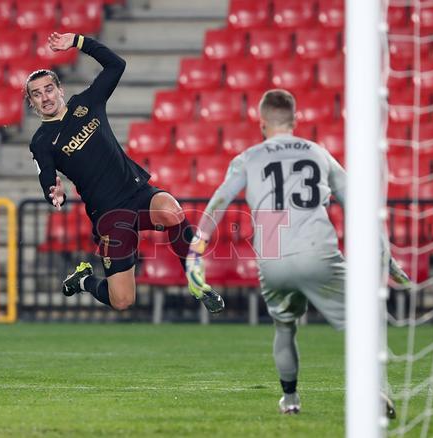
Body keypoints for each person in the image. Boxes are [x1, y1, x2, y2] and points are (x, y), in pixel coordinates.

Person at [186, 89, 410, 416]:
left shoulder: (247, 158)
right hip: (316, 250)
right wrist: (385, 257)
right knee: (364, 319)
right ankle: (376, 392)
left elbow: (218, 203)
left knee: (285, 328)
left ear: (261, 123)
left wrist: (196, 249)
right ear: (296, 120)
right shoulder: (319, 154)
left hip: (273, 254)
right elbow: (359, 207)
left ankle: (290, 400)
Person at [25, 32, 224, 313]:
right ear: (32, 103)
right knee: (122, 300)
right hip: (108, 214)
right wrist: (53, 193)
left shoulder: (88, 102)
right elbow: (46, 178)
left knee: (171, 210)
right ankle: (83, 281)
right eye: (36, 94)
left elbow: (116, 65)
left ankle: (195, 279)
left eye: (48, 89)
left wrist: (79, 41)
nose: (44, 97)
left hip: (136, 191)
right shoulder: (41, 140)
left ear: (60, 90)